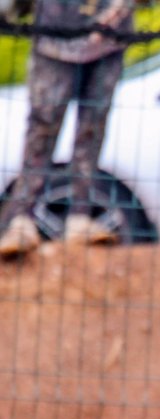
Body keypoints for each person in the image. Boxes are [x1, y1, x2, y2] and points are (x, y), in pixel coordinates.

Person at [0, 0, 133, 258]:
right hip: (55, 35)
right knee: (42, 130)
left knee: (91, 130)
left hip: (108, 39)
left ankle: (80, 218)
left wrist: (116, 12)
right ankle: (20, 220)